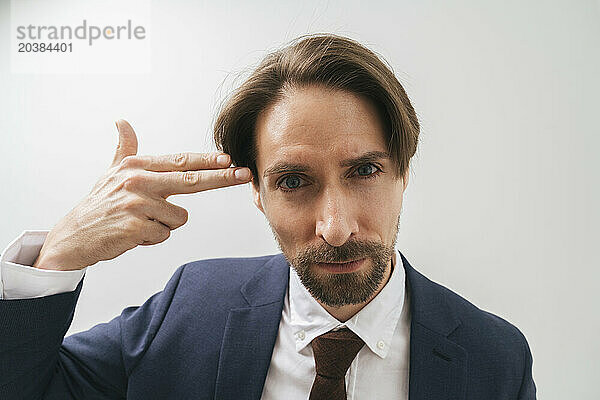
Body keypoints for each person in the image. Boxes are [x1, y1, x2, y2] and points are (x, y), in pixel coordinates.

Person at [0, 33, 536, 399]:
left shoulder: (495, 360)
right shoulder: (189, 307)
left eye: (364, 171)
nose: (336, 228)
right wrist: (59, 254)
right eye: (294, 182)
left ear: (404, 172)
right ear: (256, 190)